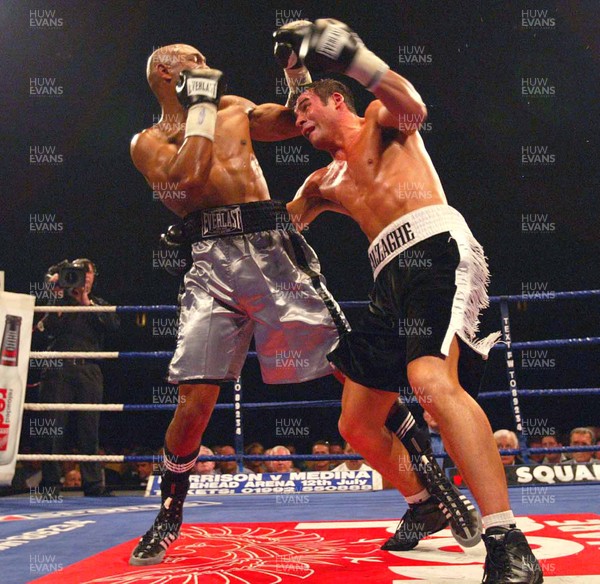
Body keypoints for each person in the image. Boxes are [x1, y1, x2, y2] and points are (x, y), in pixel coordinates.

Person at [276, 18, 542, 581]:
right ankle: (426, 502)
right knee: (356, 423)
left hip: (433, 248)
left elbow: (410, 102)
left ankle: (505, 538)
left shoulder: (379, 121)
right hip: (386, 281)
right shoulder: (322, 182)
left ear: (336, 101)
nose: (297, 124)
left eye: (305, 112)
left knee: (430, 382)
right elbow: (282, 227)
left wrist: (352, 57)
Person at [128, 43, 348, 566]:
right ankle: (169, 513)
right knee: (194, 400)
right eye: (192, 57)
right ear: (165, 71)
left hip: (271, 250)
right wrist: (200, 103)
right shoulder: (148, 142)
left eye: (208, 56)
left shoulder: (234, 109)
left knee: (350, 365)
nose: (205, 61)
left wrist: (297, 70)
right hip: (210, 262)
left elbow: (296, 122)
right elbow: (189, 179)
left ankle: (428, 491)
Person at [37, 258, 120, 498]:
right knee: (52, 429)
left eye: (87, 271)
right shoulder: (58, 299)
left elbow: (112, 326)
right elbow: (47, 328)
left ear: (93, 276)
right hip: (57, 369)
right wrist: (57, 294)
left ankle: (94, 486)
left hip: (88, 370)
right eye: (78, 271)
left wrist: (84, 301)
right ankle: (50, 486)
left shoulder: (99, 304)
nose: (82, 275)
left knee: (89, 429)